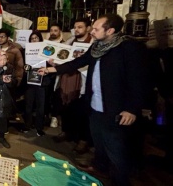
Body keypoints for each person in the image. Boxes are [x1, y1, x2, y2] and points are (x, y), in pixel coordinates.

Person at [38, 13, 148, 186]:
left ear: (110, 30)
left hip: (116, 108)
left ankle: (120, 181)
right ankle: (100, 167)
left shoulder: (128, 48)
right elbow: (78, 61)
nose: (92, 31)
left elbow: (139, 81)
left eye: (96, 28)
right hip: (95, 105)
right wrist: (51, 70)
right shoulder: (97, 46)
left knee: (116, 148)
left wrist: (132, 108)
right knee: (99, 141)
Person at [53, 18, 94, 155]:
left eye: (80, 27)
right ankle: (66, 131)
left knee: (82, 112)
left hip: (82, 81)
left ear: (88, 28)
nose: (76, 30)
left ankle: (83, 140)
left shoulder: (93, 44)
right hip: (67, 79)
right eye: (75, 27)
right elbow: (61, 58)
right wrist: (54, 63)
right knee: (66, 107)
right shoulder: (69, 42)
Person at [22, 31, 53, 137]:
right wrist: (25, 69)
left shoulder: (46, 51)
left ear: (40, 39)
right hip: (30, 82)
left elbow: (50, 66)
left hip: (42, 82)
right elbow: (24, 65)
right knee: (28, 106)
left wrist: (48, 67)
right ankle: (27, 125)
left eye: (36, 38)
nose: (34, 40)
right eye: (32, 38)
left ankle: (39, 128)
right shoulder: (26, 51)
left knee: (41, 107)